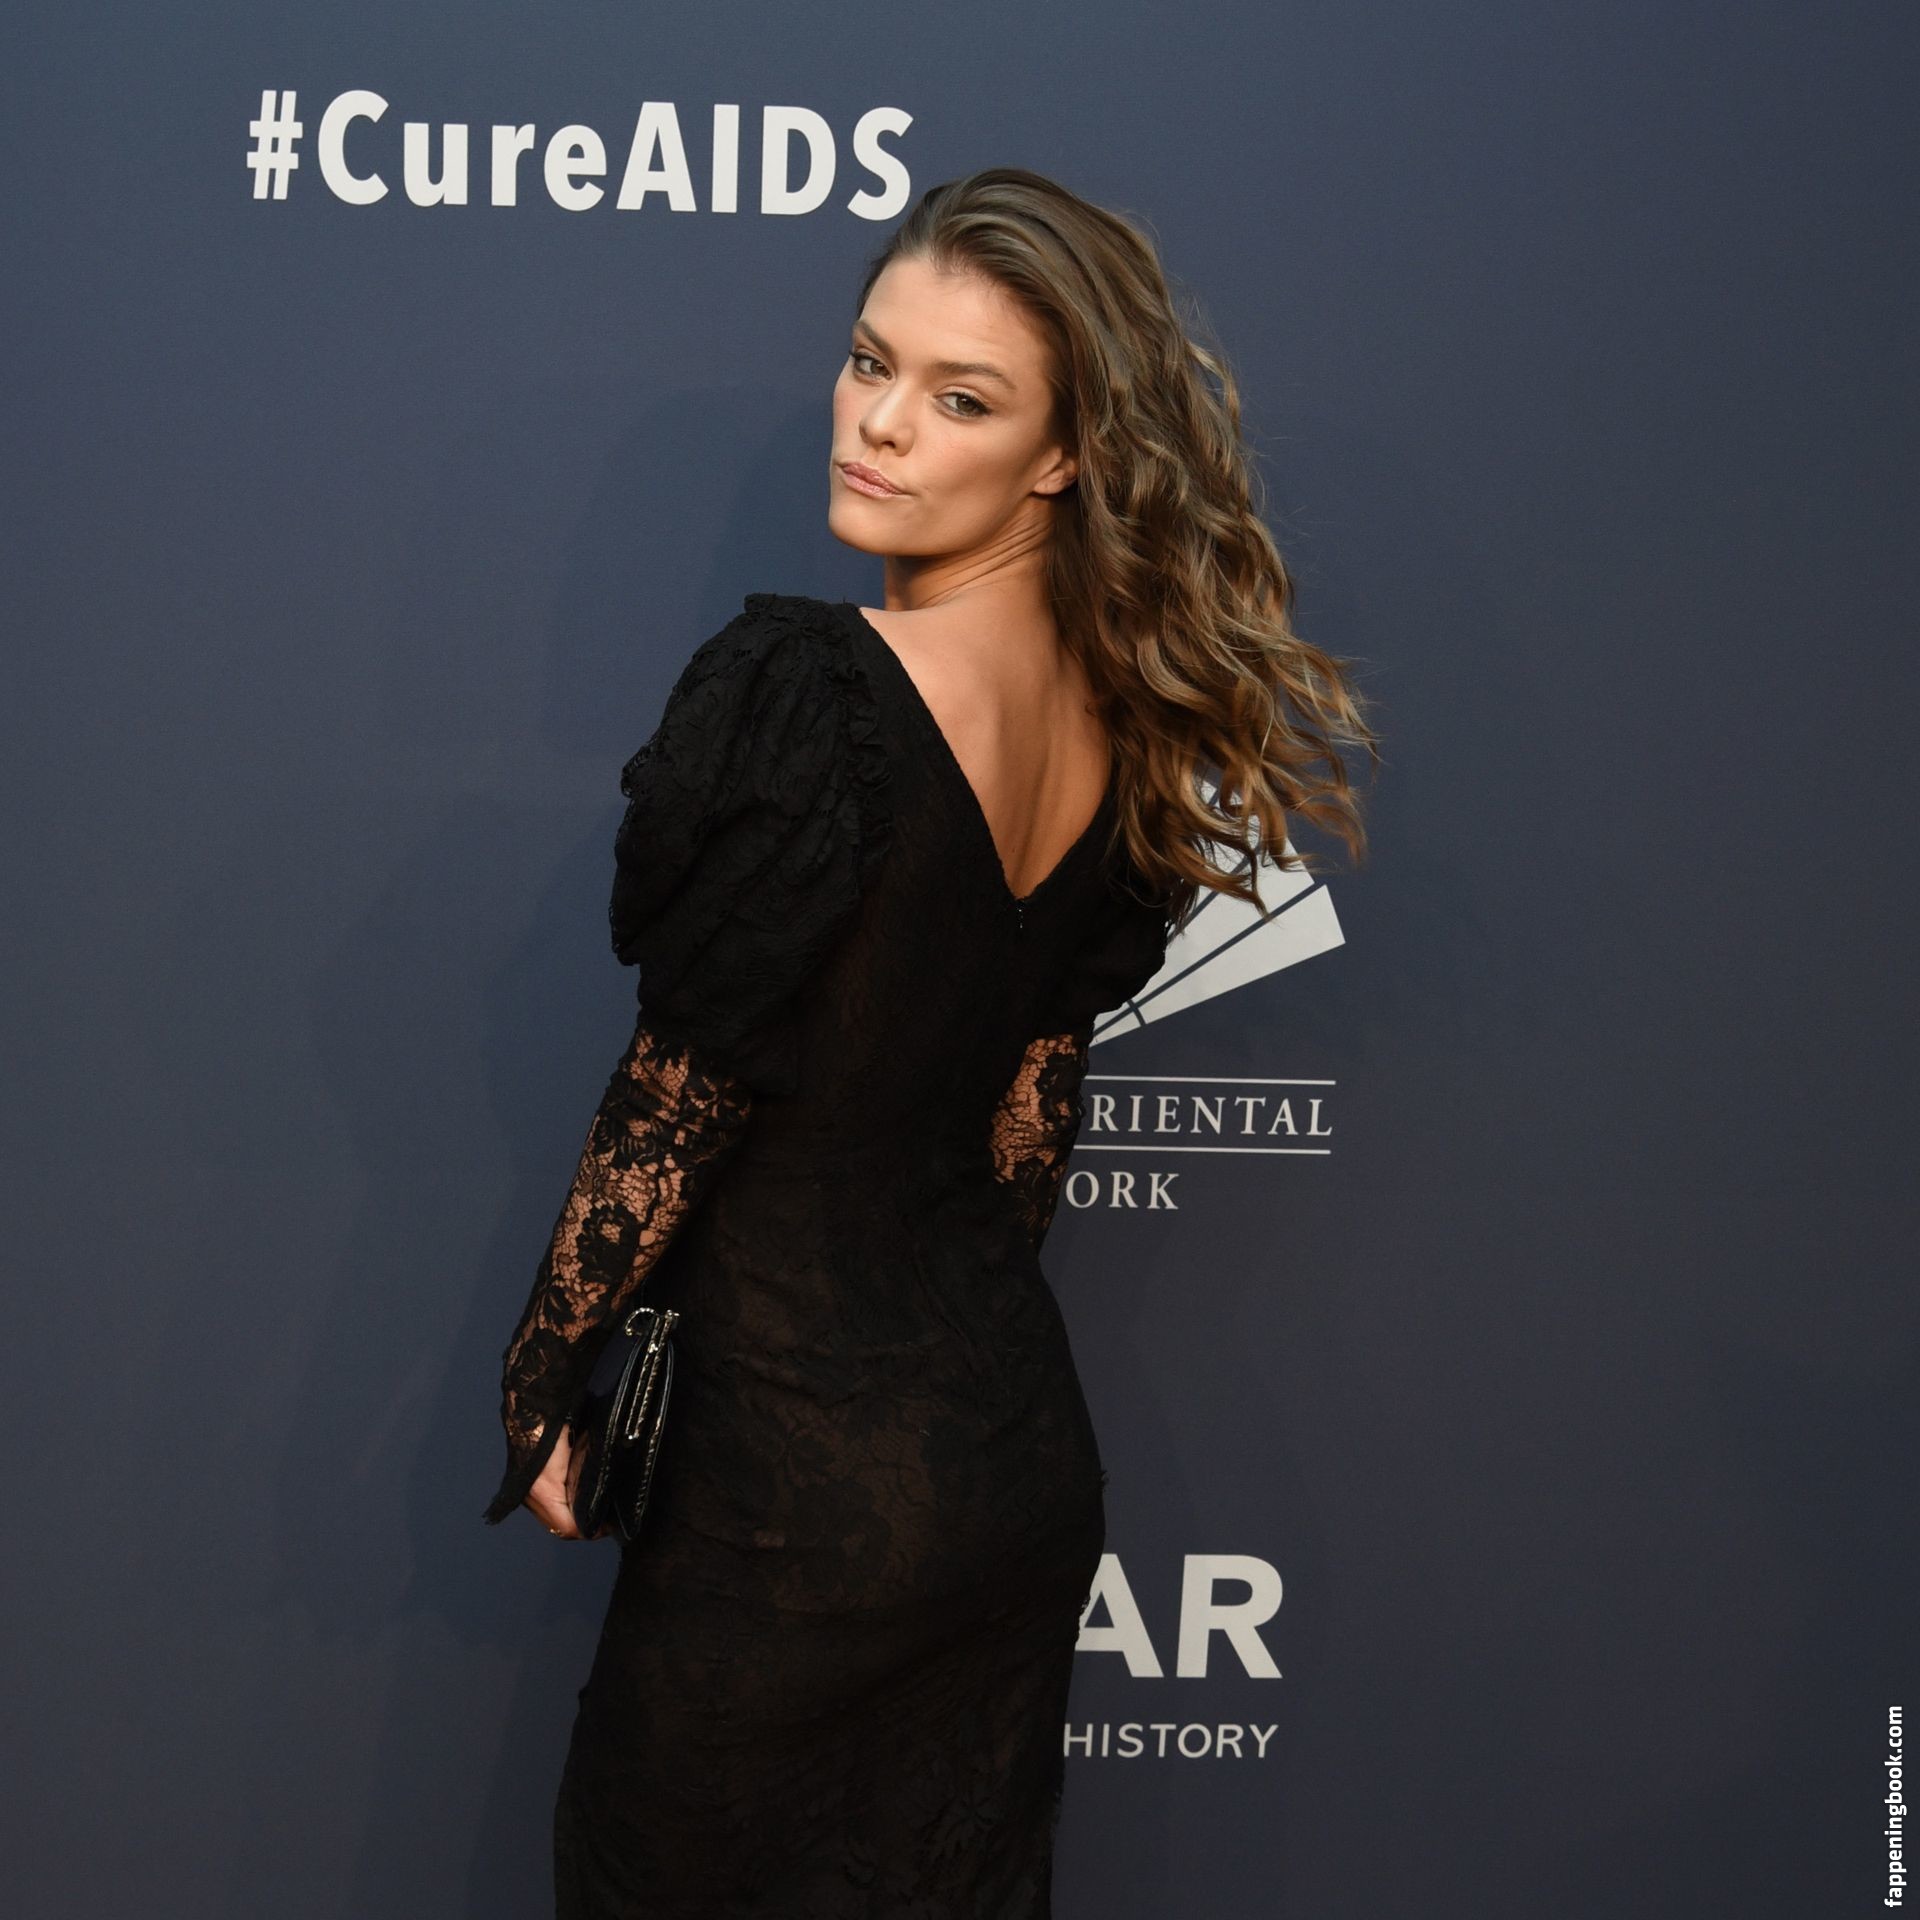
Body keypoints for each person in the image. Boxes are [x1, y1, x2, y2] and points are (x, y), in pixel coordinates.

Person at [481, 166, 1378, 1917]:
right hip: (1000, 1462)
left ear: (1061, 457)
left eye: (962, 400)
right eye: (869, 361)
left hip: (789, 1494)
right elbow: (1029, 1120)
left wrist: (540, 1383)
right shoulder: (1122, 728)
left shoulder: (811, 689)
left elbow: (678, 1096)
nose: (880, 424)